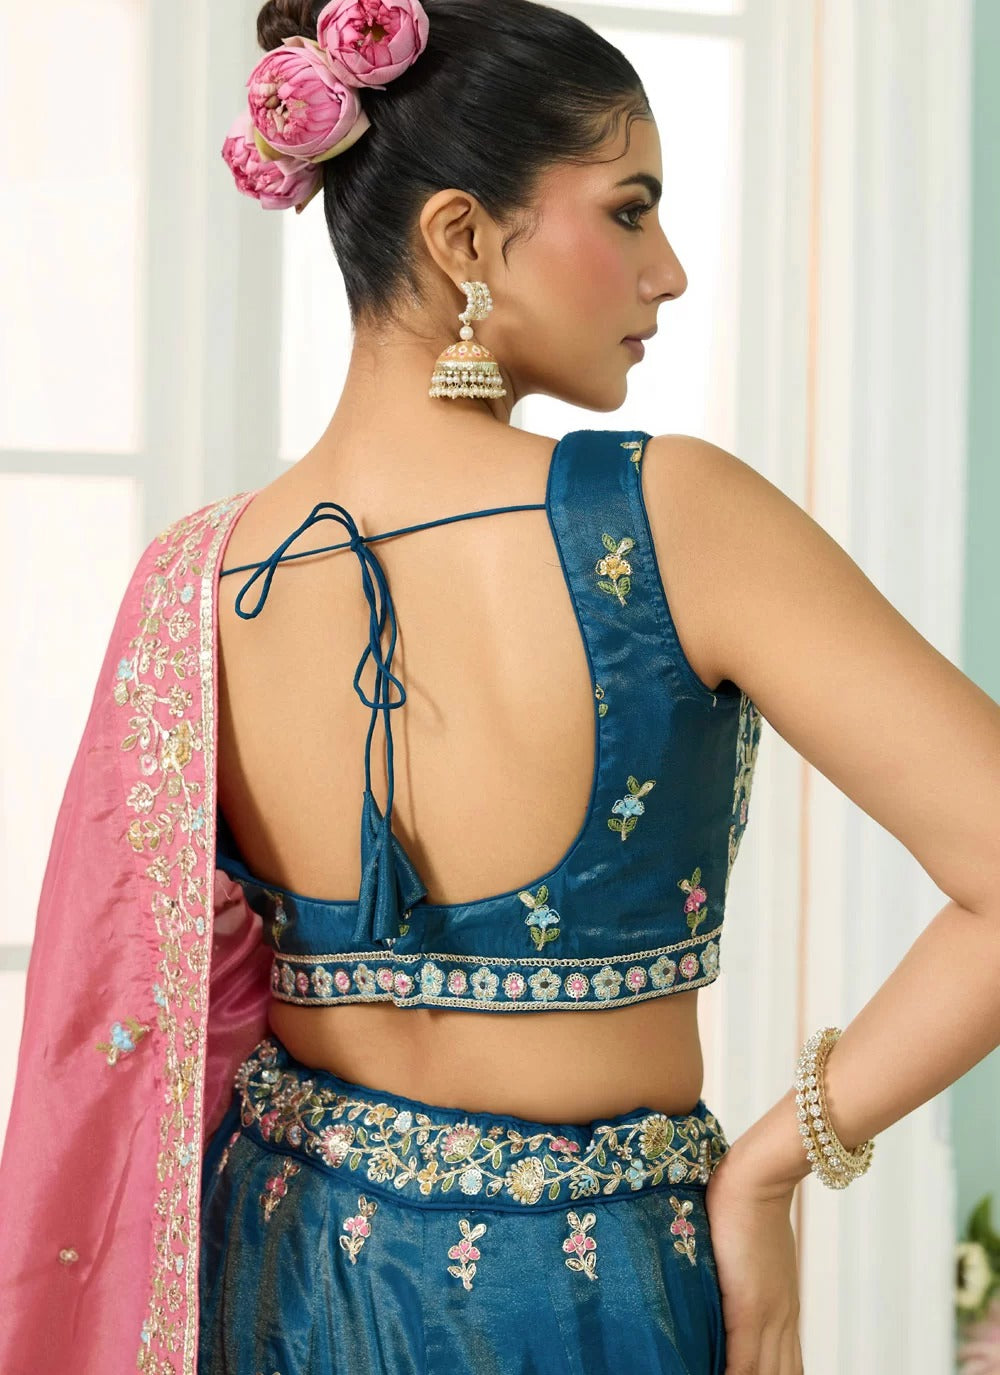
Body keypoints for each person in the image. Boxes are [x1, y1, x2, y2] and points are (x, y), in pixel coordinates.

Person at [1, 1, 998, 1372]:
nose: (673, 274)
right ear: (464, 240)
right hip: (588, 1298)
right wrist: (773, 1165)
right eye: (632, 211)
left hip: (274, 1272)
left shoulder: (195, 582)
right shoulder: (673, 519)